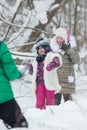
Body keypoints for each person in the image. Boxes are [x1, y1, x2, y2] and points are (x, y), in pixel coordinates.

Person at [0, 41, 28, 129]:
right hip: (3, 97)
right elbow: (10, 71)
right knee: (18, 124)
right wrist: (19, 74)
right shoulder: (0, 46)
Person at [28, 38, 62, 109]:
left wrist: (51, 65)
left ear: (46, 48)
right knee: (39, 99)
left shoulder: (51, 55)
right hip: (39, 83)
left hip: (50, 83)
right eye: (38, 49)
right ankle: (39, 113)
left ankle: (50, 113)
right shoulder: (37, 60)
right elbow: (32, 71)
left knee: (50, 100)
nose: (40, 50)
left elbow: (57, 61)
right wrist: (30, 68)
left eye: (42, 48)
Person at [50, 27, 80, 105]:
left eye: (61, 38)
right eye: (58, 38)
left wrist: (68, 49)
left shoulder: (70, 47)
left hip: (67, 80)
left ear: (65, 39)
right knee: (54, 104)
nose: (59, 40)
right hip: (56, 80)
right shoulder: (52, 48)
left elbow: (76, 60)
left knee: (69, 104)